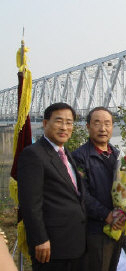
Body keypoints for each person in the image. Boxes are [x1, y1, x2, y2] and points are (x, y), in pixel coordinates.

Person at [17, 103, 86, 271]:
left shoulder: (66, 153)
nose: (64, 127)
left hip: (75, 244)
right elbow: (30, 204)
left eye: (69, 123)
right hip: (51, 247)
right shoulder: (33, 154)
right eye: (59, 121)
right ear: (45, 123)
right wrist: (40, 239)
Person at [72, 107, 125, 271]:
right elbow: (82, 195)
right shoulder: (79, 156)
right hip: (96, 230)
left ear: (112, 127)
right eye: (97, 123)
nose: (103, 129)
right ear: (88, 127)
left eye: (107, 124)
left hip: (118, 226)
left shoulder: (119, 155)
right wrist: (107, 215)